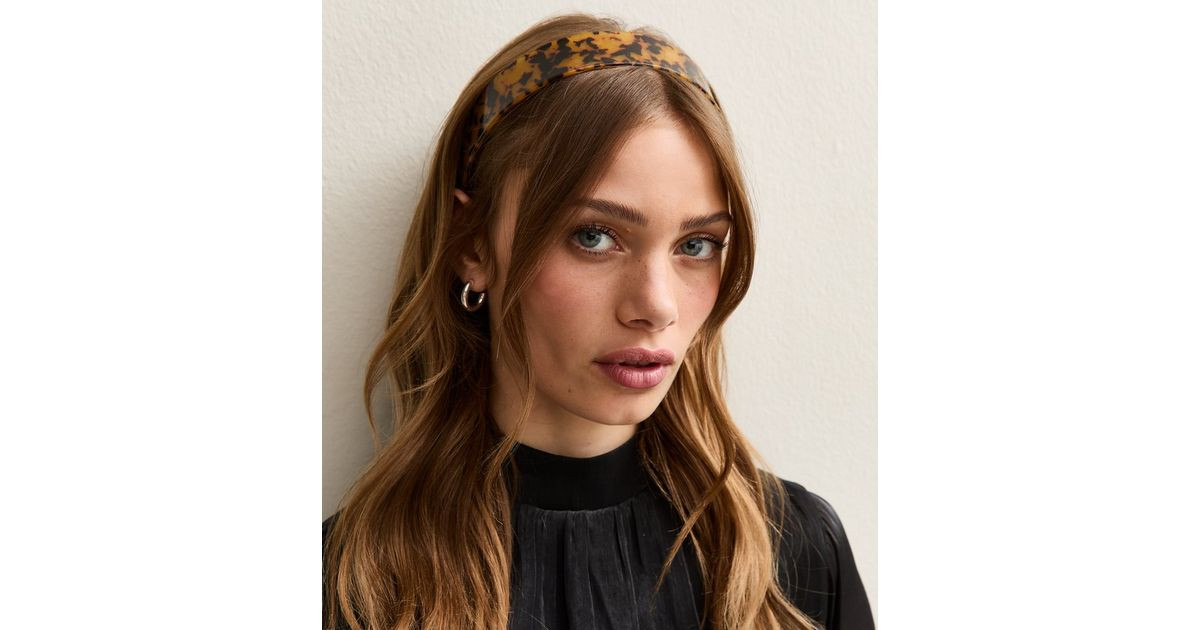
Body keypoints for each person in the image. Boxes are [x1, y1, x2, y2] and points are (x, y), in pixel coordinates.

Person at [323, 12, 874, 630]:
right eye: (594, 236)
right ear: (472, 245)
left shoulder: (794, 556)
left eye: (696, 245)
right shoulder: (351, 587)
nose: (657, 306)